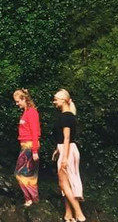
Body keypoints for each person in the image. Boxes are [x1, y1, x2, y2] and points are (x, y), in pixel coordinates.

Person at [51, 89, 85, 222]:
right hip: (66, 149)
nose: (54, 102)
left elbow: (67, 138)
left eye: (56, 99)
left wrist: (64, 157)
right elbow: (63, 139)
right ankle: (68, 215)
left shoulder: (66, 117)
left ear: (63, 100)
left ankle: (79, 214)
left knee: (63, 182)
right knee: (67, 184)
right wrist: (58, 150)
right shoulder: (68, 115)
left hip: (68, 150)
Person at [12, 89, 40, 206]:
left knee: (21, 173)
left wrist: (34, 151)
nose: (16, 104)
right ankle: (30, 199)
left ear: (24, 99)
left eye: (18, 101)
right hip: (25, 145)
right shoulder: (25, 112)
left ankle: (32, 199)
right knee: (27, 173)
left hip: (29, 145)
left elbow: (35, 132)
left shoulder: (32, 112)